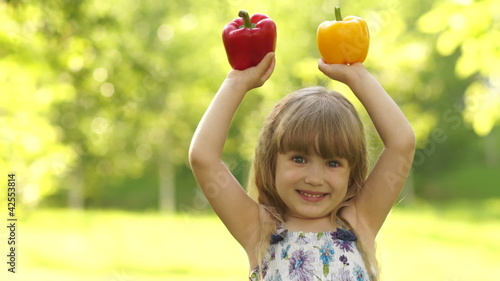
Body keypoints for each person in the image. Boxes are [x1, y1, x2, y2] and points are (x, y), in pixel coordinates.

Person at [188, 52, 415, 280]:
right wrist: (236, 83)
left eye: (333, 163)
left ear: (351, 172)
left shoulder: (359, 222)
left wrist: (358, 76)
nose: (315, 178)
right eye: (299, 159)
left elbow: (401, 143)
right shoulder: (259, 230)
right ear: (272, 161)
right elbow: (203, 158)